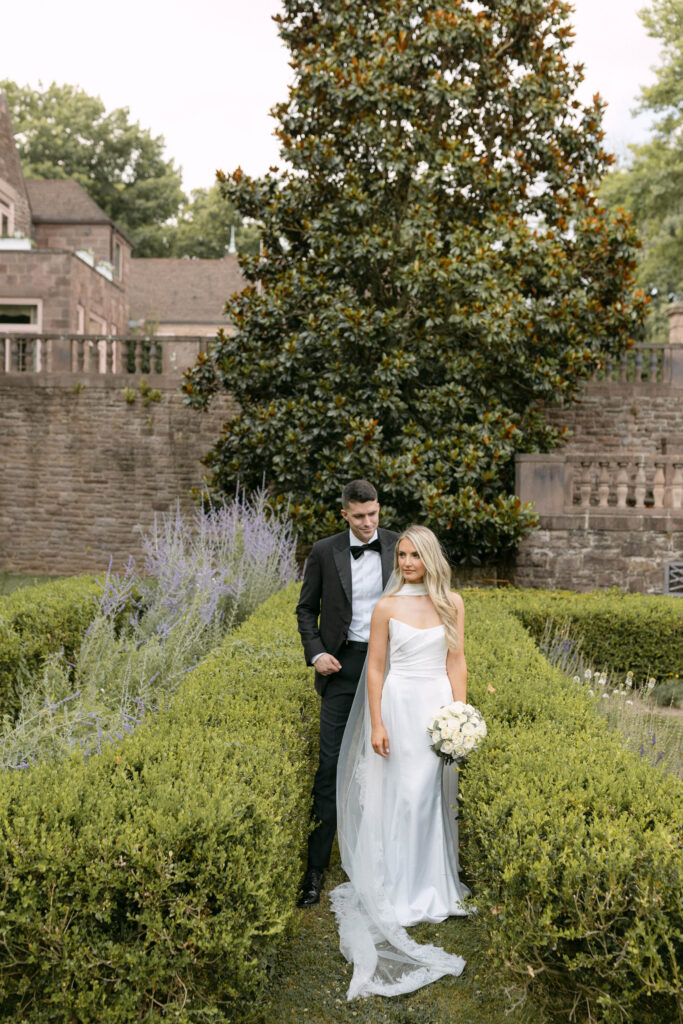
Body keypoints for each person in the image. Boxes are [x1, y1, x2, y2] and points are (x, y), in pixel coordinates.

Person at [330, 524, 470, 999]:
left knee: (427, 795)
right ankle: (397, 891)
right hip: (398, 706)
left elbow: (457, 661)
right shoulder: (387, 607)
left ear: (430, 558)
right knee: (402, 794)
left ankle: (432, 888)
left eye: (415, 555)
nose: (407, 562)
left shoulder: (453, 603)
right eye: (403, 555)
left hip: (435, 709)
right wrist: (376, 723)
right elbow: (374, 667)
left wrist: (460, 715)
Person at [295, 480, 399, 907]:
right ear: (344, 514)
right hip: (342, 667)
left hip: (392, 670)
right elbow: (305, 609)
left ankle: (393, 859)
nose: (368, 523)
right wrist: (316, 653)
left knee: (391, 760)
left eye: (373, 514)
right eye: (359, 516)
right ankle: (315, 870)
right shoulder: (324, 551)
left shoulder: (400, 547)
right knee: (331, 766)